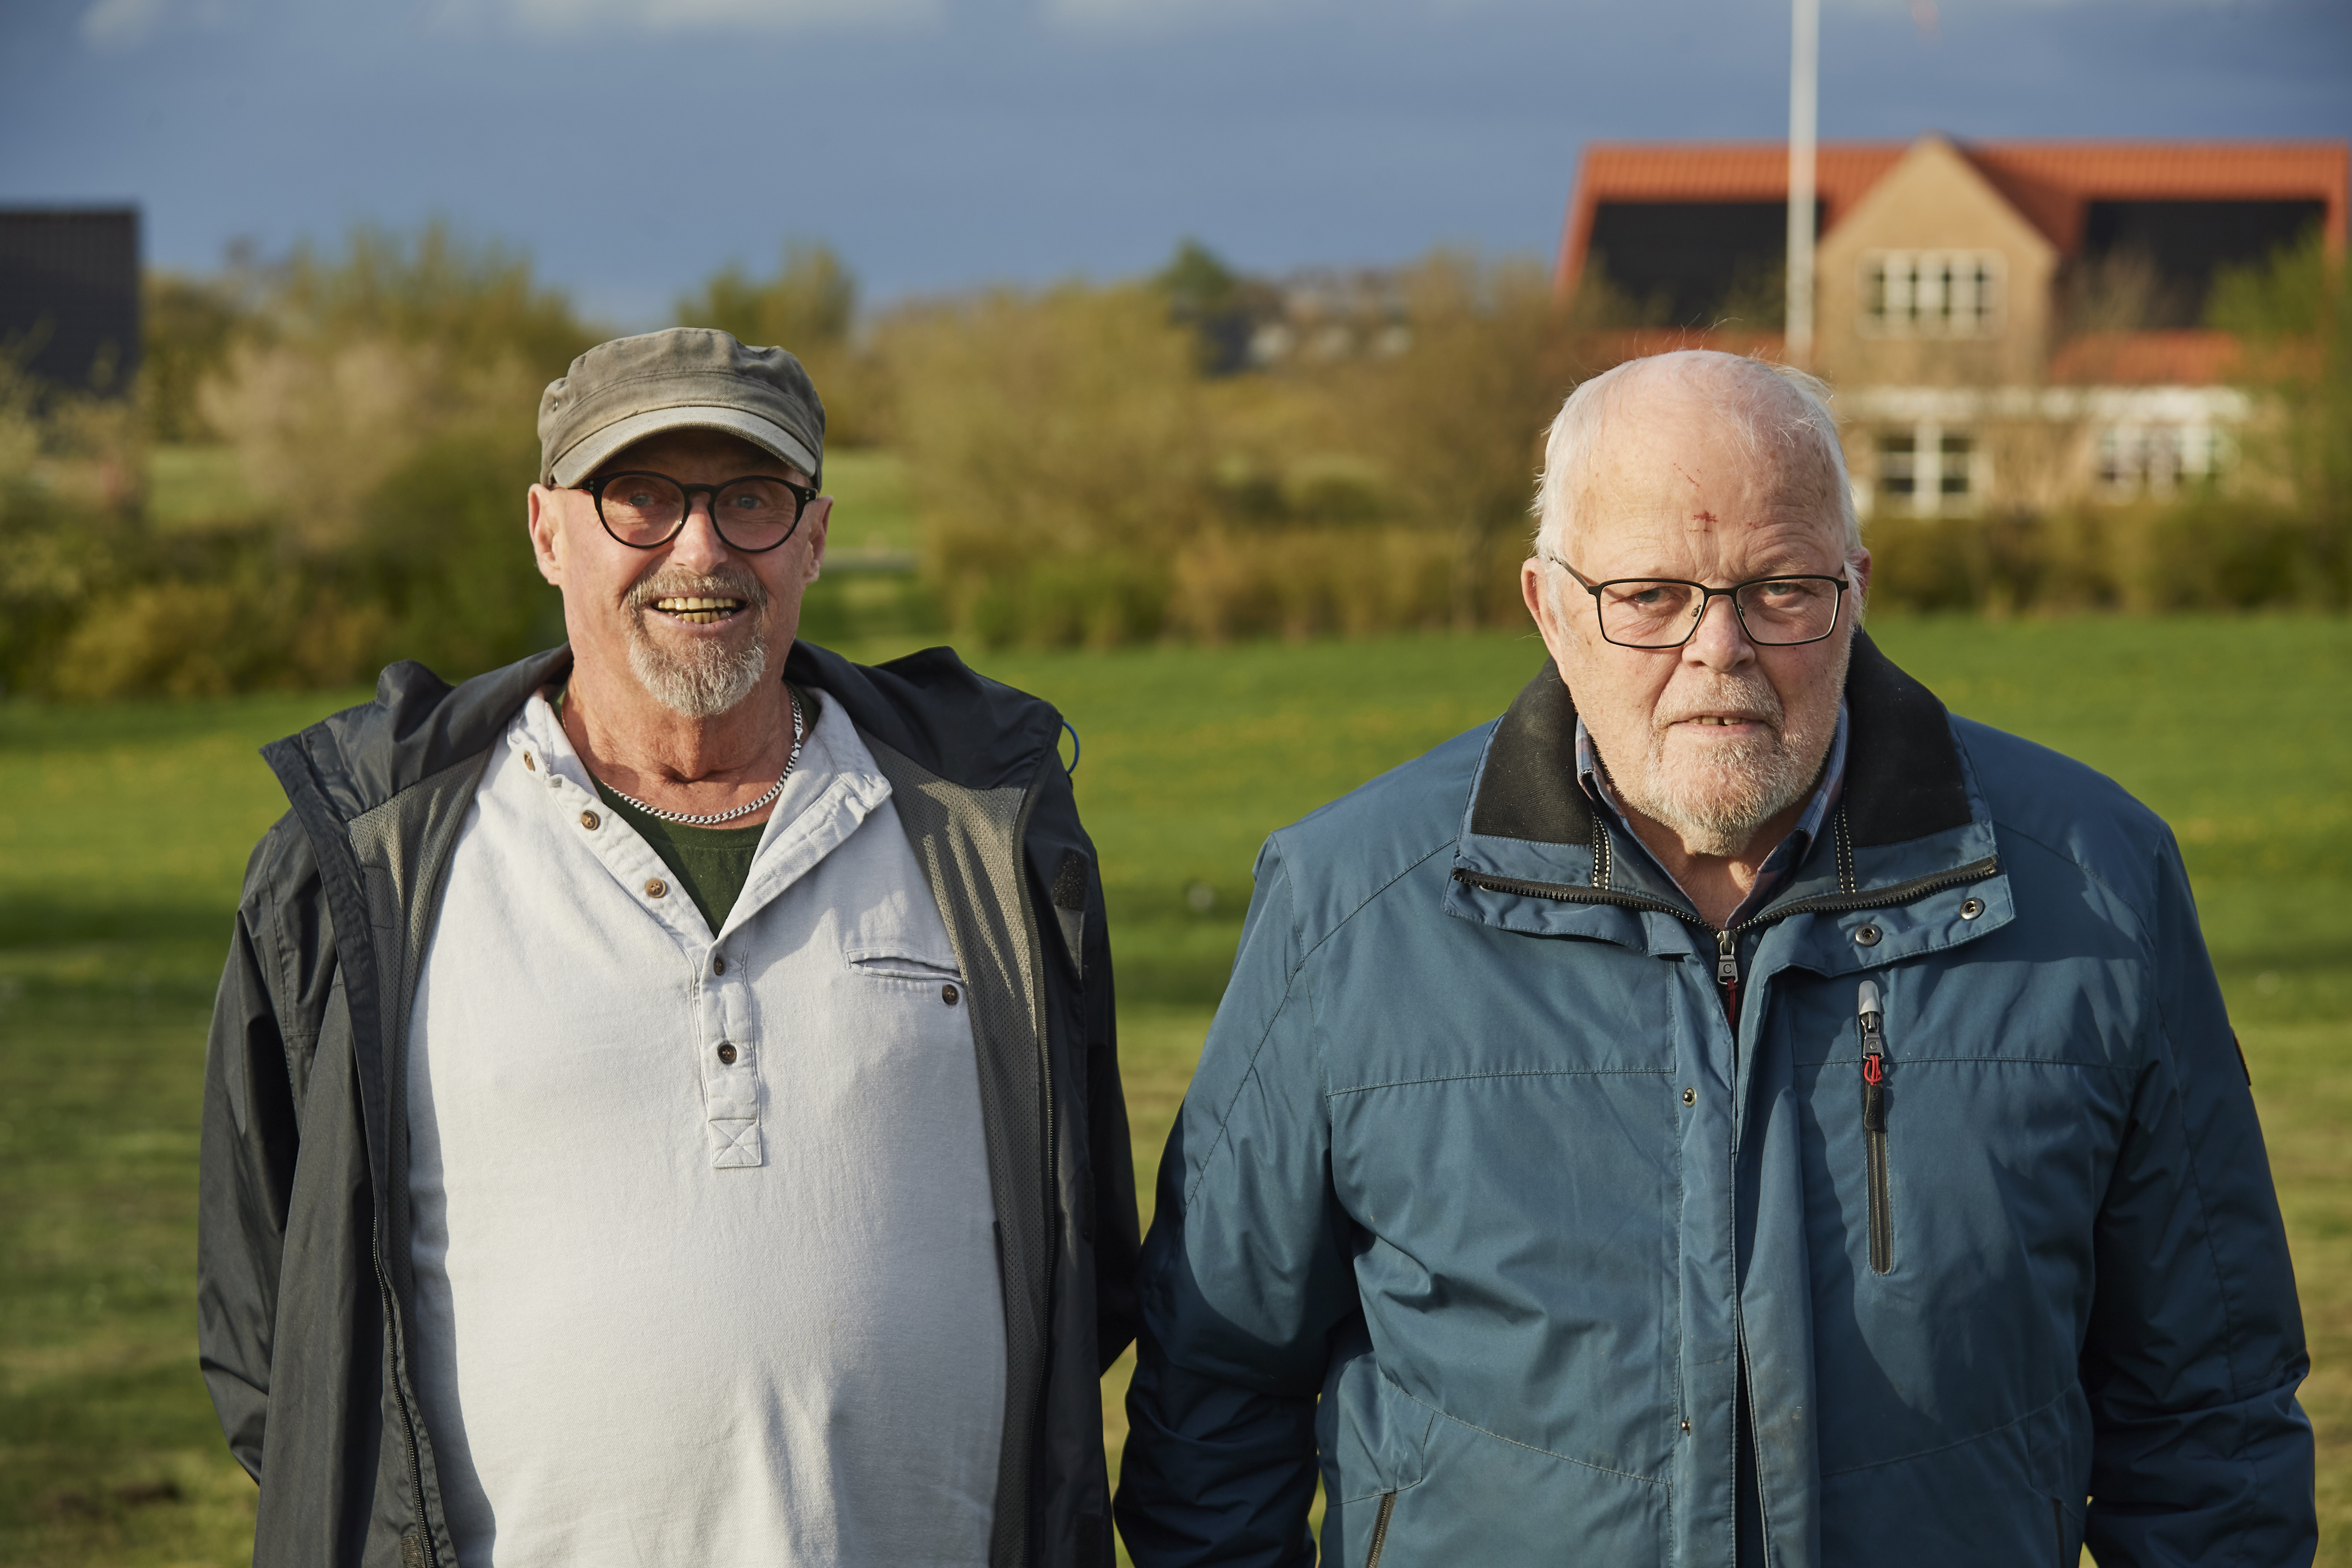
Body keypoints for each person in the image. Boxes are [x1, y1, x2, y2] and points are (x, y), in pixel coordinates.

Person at [1114, 350, 2312, 1566]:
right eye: (1646, 594)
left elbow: (2206, 1417)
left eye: (1781, 589)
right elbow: (1215, 1402)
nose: (1718, 646)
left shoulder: (2092, 889)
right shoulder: (1346, 908)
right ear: (1546, 606)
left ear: (1855, 586)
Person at [199, 328, 1138, 1568]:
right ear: (548, 531)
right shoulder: (367, 864)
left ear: (812, 537)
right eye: (637, 497)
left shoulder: (984, 834)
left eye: (751, 500)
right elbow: (276, 1332)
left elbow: (1091, 1263)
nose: (698, 548)